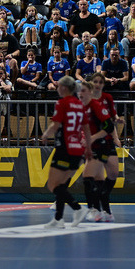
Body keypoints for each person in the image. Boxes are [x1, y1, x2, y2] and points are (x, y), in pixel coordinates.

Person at [39, 76, 91, 229]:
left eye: (59, 86)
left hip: (65, 148)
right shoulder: (80, 105)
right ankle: (58, 219)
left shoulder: (62, 103)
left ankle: (78, 208)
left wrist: (45, 135)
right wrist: (88, 148)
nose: (56, 89)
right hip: (78, 150)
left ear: (65, 88)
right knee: (61, 184)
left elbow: (55, 125)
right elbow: (86, 129)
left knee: (52, 185)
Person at [82, 73, 121, 222]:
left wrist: (115, 137)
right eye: (95, 82)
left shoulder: (100, 103)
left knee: (112, 174)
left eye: (100, 82)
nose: (97, 85)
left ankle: (103, 207)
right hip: (95, 147)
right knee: (90, 177)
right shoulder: (84, 104)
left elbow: (109, 123)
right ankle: (96, 209)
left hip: (106, 142)